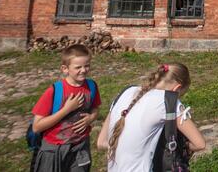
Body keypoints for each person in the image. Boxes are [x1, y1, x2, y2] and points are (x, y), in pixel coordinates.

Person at [97, 62, 205, 171]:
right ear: (177, 88)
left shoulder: (125, 92)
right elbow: (199, 144)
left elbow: (101, 142)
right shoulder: (168, 100)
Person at [31, 44, 101, 172]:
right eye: (78, 67)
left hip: (80, 147)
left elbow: (95, 109)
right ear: (65, 69)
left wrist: (91, 118)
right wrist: (66, 110)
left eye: (87, 66)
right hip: (53, 150)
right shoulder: (55, 91)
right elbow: (36, 126)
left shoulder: (91, 86)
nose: (84, 70)